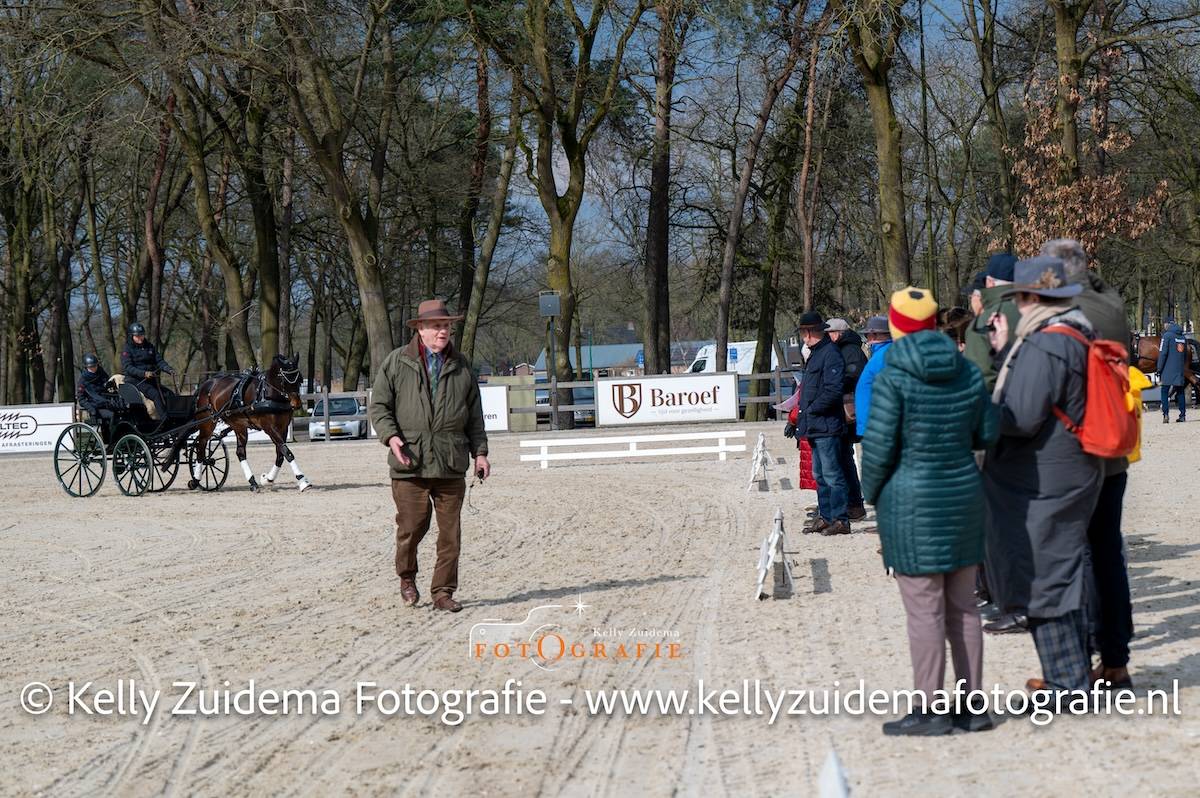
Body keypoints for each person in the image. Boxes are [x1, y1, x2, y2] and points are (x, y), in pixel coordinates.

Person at [861, 287, 997, 735]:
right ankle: (973, 707)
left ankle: (929, 709)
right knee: (964, 608)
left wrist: (872, 493)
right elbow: (987, 432)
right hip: (963, 497)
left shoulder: (892, 376)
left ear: (896, 326)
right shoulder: (966, 369)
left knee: (924, 611)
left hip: (911, 504)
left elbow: (878, 448)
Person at [984, 255, 1103, 696]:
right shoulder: (1076, 332)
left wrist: (976, 412)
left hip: (1045, 476)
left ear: (1029, 298)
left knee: (1044, 573)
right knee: (1061, 568)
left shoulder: (1045, 343)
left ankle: (1066, 681)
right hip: (1069, 466)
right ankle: (1072, 673)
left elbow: (1021, 417)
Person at [1042, 237, 1135, 689]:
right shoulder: (1111, 302)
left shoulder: (1064, 311)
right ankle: (1116, 659)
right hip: (1113, 449)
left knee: (1074, 557)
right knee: (1108, 551)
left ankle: (1074, 663)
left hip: (1077, 450)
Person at [369, 299, 490, 613]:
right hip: (410, 461)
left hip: (451, 463)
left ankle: (443, 592)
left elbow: (475, 416)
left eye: (446, 326)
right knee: (412, 527)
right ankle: (407, 577)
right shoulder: (396, 362)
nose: (443, 331)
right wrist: (391, 437)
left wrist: (480, 453)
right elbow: (379, 407)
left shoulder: (462, 366)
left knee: (451, 535)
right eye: (437, 326)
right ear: (420, 329)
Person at [795, 311, 850, 536]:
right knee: (819, 475)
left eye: (803, 333)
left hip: (826, 424)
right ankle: (826, 516)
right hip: (816, 425)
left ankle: (840, 519)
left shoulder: (830, 354)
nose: (803, 338)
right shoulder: (816, 354)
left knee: (832, 474)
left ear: (809, 332)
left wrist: (811, 410)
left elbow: (833, 391)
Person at [825, 318, 867, 520]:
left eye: (828, 333)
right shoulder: (844, 349)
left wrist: (833, 380)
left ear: (837, 333)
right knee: (843, 457)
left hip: (847, 410)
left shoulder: (851, 351)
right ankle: (849, 502)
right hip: (843, 409)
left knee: (844, 458)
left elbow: (853, 376)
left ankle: (854, 503)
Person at [964, 253, 1019, 392]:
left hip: (1001, 400)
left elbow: (980, 380)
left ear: (989, 282)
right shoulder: (1036, 312)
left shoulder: (983, 322)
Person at [120, 322, 175, 414]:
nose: (140, 338)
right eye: (137, 336)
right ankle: (164, 418)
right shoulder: (127, 349)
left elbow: (159, 361)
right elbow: (128, 367)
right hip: (135, 381)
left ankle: (176, 416)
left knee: (169, 394)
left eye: (141, 335)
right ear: (132, 336)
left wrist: (167, 368)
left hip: (150, 380)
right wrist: (143, 373)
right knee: (156, 395)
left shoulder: (149, 347)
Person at [854, 315, 892, 438]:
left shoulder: (885, 355)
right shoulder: (880, 354)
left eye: (867, 335)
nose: (867, 339)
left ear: (875, 335)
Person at [1156, 319, 1188, 423]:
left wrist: (1159, 368)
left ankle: (1165, 414)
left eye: (1165, 324)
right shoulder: (1183, 337)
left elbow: (1163, 353)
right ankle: (1182, 415)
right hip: (1179, 369)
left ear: (1168, 324)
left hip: (1167, 369)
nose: (1164, 326)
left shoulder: (1167, 336)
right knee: (1180, 392)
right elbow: (1185, 355)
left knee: (1164, 391)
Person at [76, 353, 123, 418]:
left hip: (108, 403)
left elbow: (108, 387)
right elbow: (81, 399)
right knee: (113, 415)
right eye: (91, 367)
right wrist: (91, 409)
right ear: (86, 367)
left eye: (95, 366)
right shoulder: (83, 380)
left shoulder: (102, 373)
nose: (93, 368)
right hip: (96, 406)